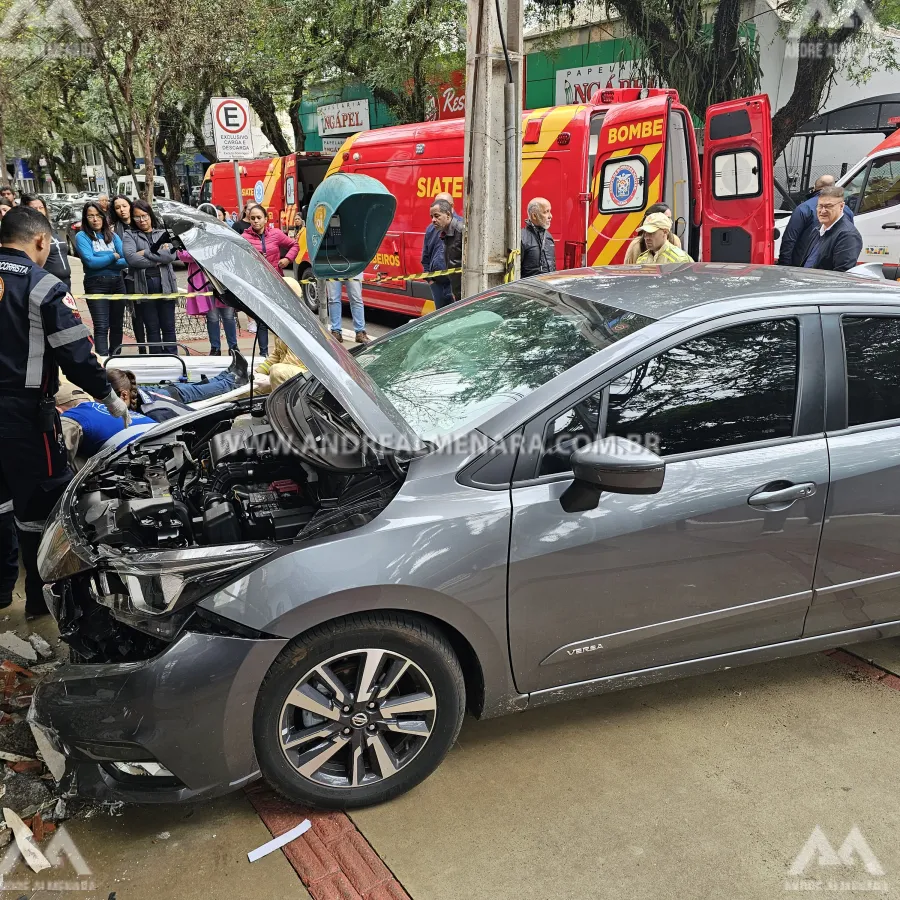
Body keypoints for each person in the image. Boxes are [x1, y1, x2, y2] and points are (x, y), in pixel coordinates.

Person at [0, 207, 128, 616]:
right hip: (25, 418)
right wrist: (107, 395)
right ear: (40, 241)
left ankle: (2, 594)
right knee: (41, 510)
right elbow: (75, 353)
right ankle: (42, 603)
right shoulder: (42, 287)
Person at [241, 203, 299, 356]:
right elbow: (240, 259)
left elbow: (294, 245)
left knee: (282, 320)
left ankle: (284, 352)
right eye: (252, 218)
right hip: (258, 284)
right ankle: (264, 354)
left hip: (277, 282)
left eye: (259, 218)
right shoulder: (244, 238)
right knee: (262, 320)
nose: (255, 221)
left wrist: (287, 259)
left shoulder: (276, 233)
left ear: (266, 219)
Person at [123, 199, 179, 354]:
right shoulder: (130, 234)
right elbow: (132, 259)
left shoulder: (162, 232)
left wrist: (145, 252)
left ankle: (173, 360)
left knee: (168, 327)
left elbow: (170, 257)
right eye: (137, 217)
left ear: (150, 215)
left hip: (166, 285)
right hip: (144, 287)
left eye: (144, 216)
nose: (142, 220)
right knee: (152, 328)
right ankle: (157, 361)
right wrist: (157, 258)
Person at [58, 370, 156, 458]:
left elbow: (53, 460)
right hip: (161, 449)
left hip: (136, 463)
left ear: (57, 410)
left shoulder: (73, 416)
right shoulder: (124, 411)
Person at [74, 201, 127, 355]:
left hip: (117, 283)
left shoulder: (113, 235)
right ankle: (102, 363)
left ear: (103, 217)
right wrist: (113, 256)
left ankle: (116, 358)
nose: (95, 219)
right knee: (102, 325)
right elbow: (90, 262)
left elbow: (126, 259)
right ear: (85, 218)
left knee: (117, 325)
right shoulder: (82, 236)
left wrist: (102, 259)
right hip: (96, 284)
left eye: (98, 215)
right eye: (90, 216)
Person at [778, 175, 856, 267]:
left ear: (814, 188)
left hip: (802, 270)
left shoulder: (804, 208)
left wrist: (784, 266)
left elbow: (789, 240)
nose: (823, 211)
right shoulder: (847, 211)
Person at [109, 194, 147, 354]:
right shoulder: (113, 229)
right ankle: (138, 349)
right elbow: (117, 256)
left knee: (147, 313)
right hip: (123, 276)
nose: (121, 210)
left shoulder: (141, 223)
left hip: (143, 273)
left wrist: (135, 256)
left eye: (124, 206)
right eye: (117, 207)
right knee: (133, 314)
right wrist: (135, 256)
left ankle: (150, 349)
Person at [797, 185, 863, 272]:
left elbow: (841, 275)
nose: (823, 211)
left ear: (841, 206)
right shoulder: (819, 229)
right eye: (820, 206)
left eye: (828, 206)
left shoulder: (848, 236)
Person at [21, 194, 70, 288]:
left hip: (65, 282)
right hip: (46, 284)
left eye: (41, 207)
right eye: (34, 208)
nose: (39, 211)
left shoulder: (51, 229)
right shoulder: (27, 235)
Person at [421, 192, 457, 309]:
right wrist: (430, 280)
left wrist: (457, 286)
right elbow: (425, 256)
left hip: (453, 285)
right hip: (437, 284)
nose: (434, 219)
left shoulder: (461, 227)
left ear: (450, 207)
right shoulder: (431, 229)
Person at [431, 198, 464, 302]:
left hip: (466, 290)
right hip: (457, 290)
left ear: (448, 215)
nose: (433, 220)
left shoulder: (461, 230)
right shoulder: (444, 232)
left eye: (437, 216)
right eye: (431, 217)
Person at [520, 197, 557, 278]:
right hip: (530, 289)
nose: (550, 216)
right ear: (534, 216)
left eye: (550, 211)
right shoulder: (522, 238)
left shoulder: (548, 237)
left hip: (548, 287)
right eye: (546, 212)